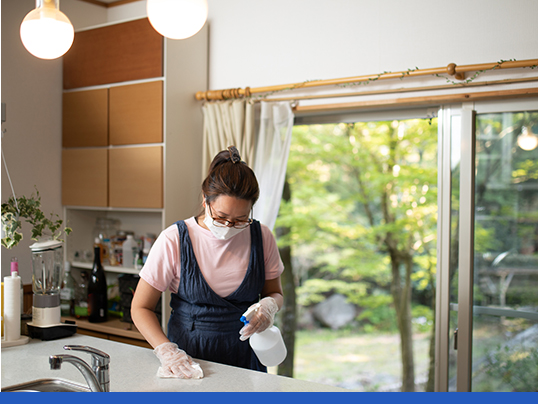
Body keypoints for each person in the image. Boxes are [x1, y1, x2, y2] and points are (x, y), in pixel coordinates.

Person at [131, 146, 285, 378]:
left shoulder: (261, 237)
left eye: (241, 219)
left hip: (245, 359)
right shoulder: (174, 239)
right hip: (190, 358)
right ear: (205, 200)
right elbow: (140, 308)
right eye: (221, 217)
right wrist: (167, 351)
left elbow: (275, 293)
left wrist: (269, 307)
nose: (229, 227)